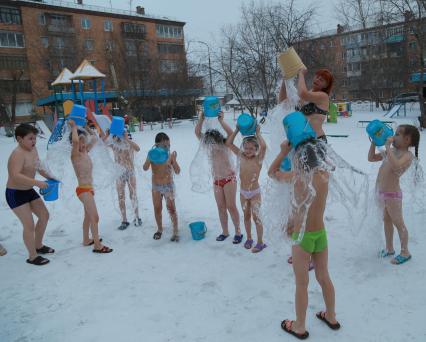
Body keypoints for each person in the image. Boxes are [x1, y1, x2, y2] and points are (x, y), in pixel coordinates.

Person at [278, 68, 339, 339]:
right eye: (316, 77)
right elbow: (286, 101)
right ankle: (331, 316)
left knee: (302, 189)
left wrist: (299, 71)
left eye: (322, 80)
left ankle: (300, 325)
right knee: (307, 192)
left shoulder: (321, 98)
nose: (318, 81)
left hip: (312, 146)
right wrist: (284, 78)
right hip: (305, 149)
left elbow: (302, 93)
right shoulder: (307, 101)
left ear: (328, 86)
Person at [368, 124, 420, 265]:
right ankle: (389, 248)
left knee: (398, 222)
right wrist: (374, 141)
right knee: (387, 220)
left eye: (397, 134)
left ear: (407, 140)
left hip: (393, 195)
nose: (393, 136)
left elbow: (396, 165)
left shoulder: (407, 155)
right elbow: (371, 158)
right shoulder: (391, 151)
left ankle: (405, 252)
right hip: (382, 193)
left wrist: (387, 147)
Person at [5, 124, 54, 266]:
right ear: (19, 139)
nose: (34, 141)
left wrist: (51, 177)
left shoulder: (33, 150)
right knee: (29, 225)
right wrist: (36, 182)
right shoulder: (17, 154)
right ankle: (32, 256)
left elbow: (38, 166)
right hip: (15, 193)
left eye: (35, 138)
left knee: (44, 216)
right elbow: (15, 176)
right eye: (30, 138)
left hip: (28, 190)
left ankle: (38, 246)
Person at [195, 111, 242, 243]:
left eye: (213, 142)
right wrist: (201, 120)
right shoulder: (208, 146)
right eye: (209, 142)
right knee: (221, 207)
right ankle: (225, 232)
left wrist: (221, 121)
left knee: (231, 206)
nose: (211, 145)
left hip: (229, 179)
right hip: (217, 181)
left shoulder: (225, 144)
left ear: (218, 139)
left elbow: (231, 133)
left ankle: (238, 232)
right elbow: (197, 133)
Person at [69, 120, 113, 253]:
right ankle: (97, 246)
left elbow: (94, 138)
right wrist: (74, 128)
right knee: (95, 217)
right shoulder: (75, 155)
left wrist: (87, 127)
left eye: (83, 141)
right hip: (83, 190)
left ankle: (86, 239)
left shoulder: (85, 152)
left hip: (89, 189)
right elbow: (75, 142)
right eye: (80, 141)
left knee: (88, 216)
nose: (82, 144)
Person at [226, 124, 267, 252]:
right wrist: (237, 129)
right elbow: (229, 143)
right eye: (246, 148)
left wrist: (258, 133)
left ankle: (260, 242)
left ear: (256, 149)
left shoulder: (258, 159)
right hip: (243, 193)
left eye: (251, 148)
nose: (248, 150)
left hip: (255, 192)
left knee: (257, 217)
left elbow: (264, 146)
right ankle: (249, 238)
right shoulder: (240, 156)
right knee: (246, 216)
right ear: (243, 148)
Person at [143, 133, 180, 242]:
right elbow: (145, 168)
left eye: (169, 146)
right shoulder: (152, 155)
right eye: (164, 146)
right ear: (156, 145)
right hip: (156, 186)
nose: (167, 148)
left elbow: (177, 171)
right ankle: (159, 229)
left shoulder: (170, 155)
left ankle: (175, 230)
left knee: (172, 209)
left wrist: (174, 160)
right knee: (157, 208)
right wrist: (150, 158)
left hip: (168, 186)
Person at [103, 130, 142, 230]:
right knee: (121, 196)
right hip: (119, 173)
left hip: (130, 172)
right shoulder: (115, 144)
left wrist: (126, 139)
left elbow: (138, 148)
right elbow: (103, 144)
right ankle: (124, 220)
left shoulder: (129, 144)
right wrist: (107, 135)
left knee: (133, 194)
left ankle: (137, 216)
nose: (120, 137)